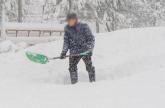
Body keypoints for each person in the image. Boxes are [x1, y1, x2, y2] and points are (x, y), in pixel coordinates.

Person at [60, 13, 96, 84]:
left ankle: (92, 82)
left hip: (85, 50)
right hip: (74, 52)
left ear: (75, 20)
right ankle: (74, 84)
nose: (69, 22)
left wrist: (89, 49)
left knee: (89, 67)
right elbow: (66, 42)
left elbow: (91, 39)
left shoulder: (84, 27)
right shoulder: (67, 30)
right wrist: (64, 52)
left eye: (70, 20)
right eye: (68, 21)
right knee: (72, 67)